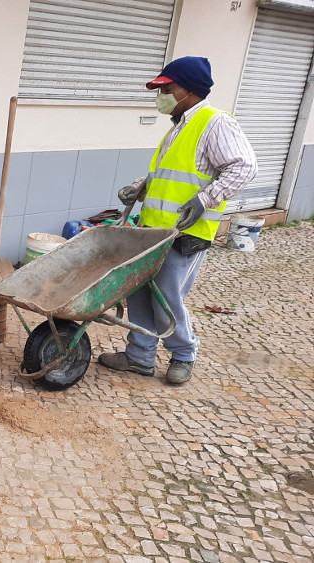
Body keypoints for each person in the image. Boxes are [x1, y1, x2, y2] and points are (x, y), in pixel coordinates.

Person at [98, 56, 257, 385]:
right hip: (154, 229)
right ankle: (139, 356)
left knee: (165, 295)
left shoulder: (215, 123)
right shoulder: (179, 127)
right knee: (139, 290)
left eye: (167, 88)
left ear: (189, 90)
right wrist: (140, 186)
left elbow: (244, 166)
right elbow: (170, 174)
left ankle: (184, 353)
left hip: (186, 232)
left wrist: (204, 200)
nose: (162, 96)